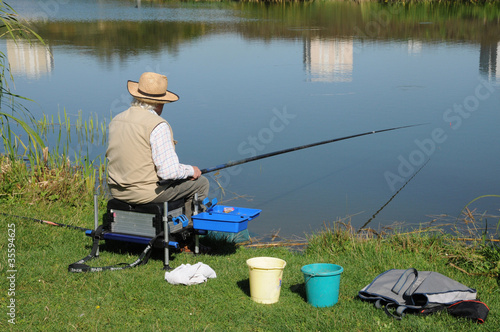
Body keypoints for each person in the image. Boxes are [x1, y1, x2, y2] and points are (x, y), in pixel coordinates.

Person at [106, 72, 209, 220]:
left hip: (117, 191)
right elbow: (168, 173)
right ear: (160, 103)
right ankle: (189, 236)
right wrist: (190, 170)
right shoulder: (158, 125)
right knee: (200, 184)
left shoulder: (117, 120)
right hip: (145, 194)